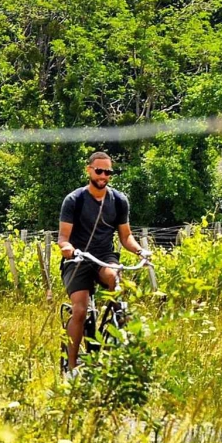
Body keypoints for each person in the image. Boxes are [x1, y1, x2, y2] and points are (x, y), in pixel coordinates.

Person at [57, 150, 148, 371]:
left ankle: (114, 328)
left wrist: (141, 251)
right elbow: (63, 237)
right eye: (99, 171)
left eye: (108, 172)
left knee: (114, 279)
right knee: (79, 310)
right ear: (89, 170)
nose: (103, 176)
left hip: (104, 256)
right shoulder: (74, 200)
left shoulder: (118, 200)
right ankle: (71, 365)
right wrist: (67, 248)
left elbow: (125, 237)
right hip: (78, 258)